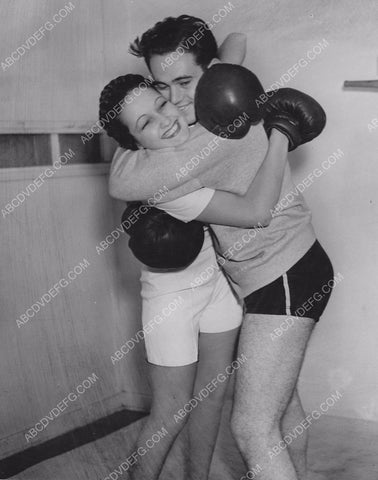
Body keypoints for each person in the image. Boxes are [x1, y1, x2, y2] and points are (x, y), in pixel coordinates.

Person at [108, 15, 334, 480]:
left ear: (209, 74)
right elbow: (235, 40)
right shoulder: (223, 96)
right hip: (281, 271)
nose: (174, 99)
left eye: (185, 81)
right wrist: (222, 77)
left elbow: (123, 180)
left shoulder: (202, 143)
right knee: (283, 409)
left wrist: (280, 135)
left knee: (251, 428)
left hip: (283, 273)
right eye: (161, 86)